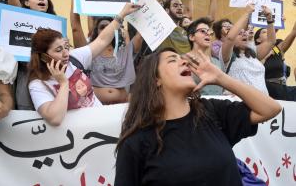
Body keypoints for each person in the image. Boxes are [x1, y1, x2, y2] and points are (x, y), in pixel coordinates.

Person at [115, 48, 281, 186]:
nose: (184, 61)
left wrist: (221, 78)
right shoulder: (136, 141)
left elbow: (270, 109)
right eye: (173, 60)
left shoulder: (212, 111)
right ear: (156, 79)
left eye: (182, 58)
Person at [28, 3, 141, 126]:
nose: (66, 54)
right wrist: (64, 83)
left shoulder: (74, 58)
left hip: (103, 123)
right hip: (80, 137)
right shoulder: (38, 84)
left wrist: (121, 14)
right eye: (58, 50)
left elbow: (102, 40)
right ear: (43, 56)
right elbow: (55, 118)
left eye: (66, 47)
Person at [69, 0, 143, 104]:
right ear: (96, 32)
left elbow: (141, 33)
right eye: (102, 27)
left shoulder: (124, 51)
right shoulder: (89, 52)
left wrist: (142, 1)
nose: (106, 30)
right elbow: (76, 28)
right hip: (98, 110)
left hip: (122, 108)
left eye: (109, 27)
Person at [220, 4, 276, 94]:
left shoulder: (254, 53)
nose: (245, 34)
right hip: (240, 105)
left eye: (245, 32)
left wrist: (269, 19)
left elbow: (271, 42)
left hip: (263, 104)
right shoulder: (227, 56)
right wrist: (247, 13)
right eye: (239, 33)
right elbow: (230, 38)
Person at [255, 21, 296, 101]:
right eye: (264, 32)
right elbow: (256, 69)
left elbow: (293, 32)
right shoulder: (254, 53)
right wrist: (267, 56)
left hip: (282, 89)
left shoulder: (276, 49)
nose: (268, 33)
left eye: (268, 31)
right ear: (258, 40)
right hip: (266, 91)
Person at [187, 17, 224, 95]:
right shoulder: (182, 60)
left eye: (209, 32)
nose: (208, 34)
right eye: (203, 31)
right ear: (191, 37)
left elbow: (222, 89)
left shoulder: (217, 62)